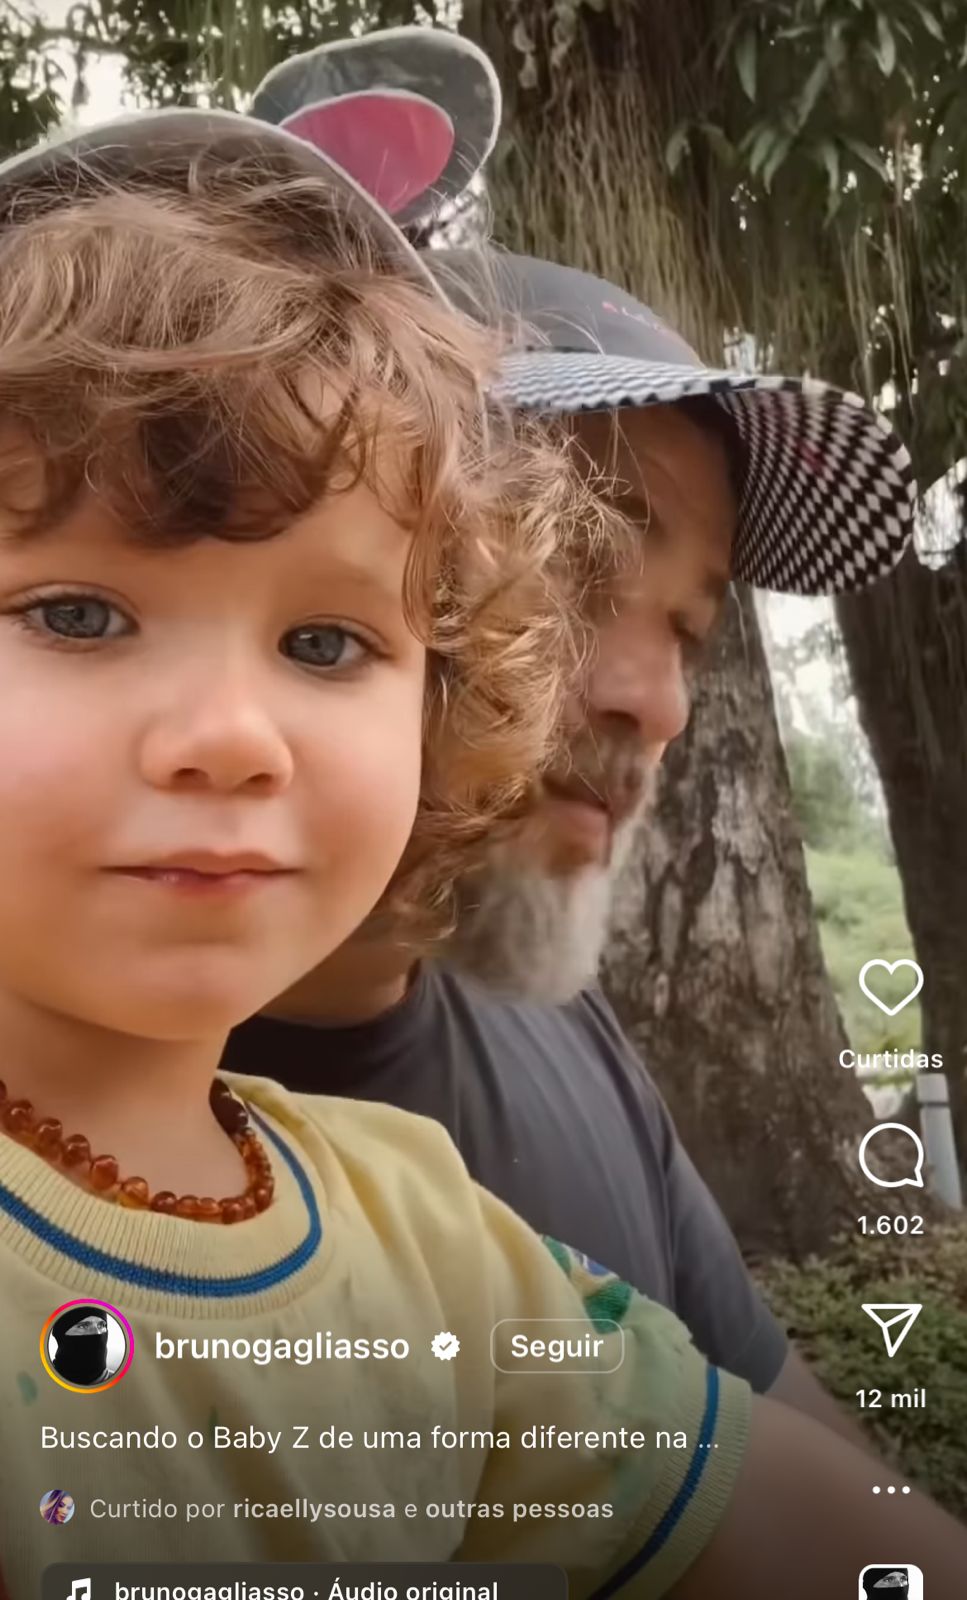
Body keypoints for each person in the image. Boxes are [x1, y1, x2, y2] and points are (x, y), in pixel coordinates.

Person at [0, 110, 963, 1600]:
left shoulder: (448, 1197)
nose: (654, 699)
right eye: (579, 572)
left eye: (325, 639)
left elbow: (793, 1485)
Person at [226, 248, 911, 1439]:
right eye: (572, 569)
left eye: (689, 635)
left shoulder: (566, 1035)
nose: (657, 705)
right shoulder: (86, 1113)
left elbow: (792, 1455)